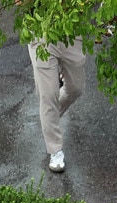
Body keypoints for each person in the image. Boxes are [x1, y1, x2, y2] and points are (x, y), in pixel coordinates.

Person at [29, 40, 85, 174]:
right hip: (40, 37)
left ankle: (49, 118)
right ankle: (55, 151)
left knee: (76, 87)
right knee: (48, 95)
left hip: (70, 33)